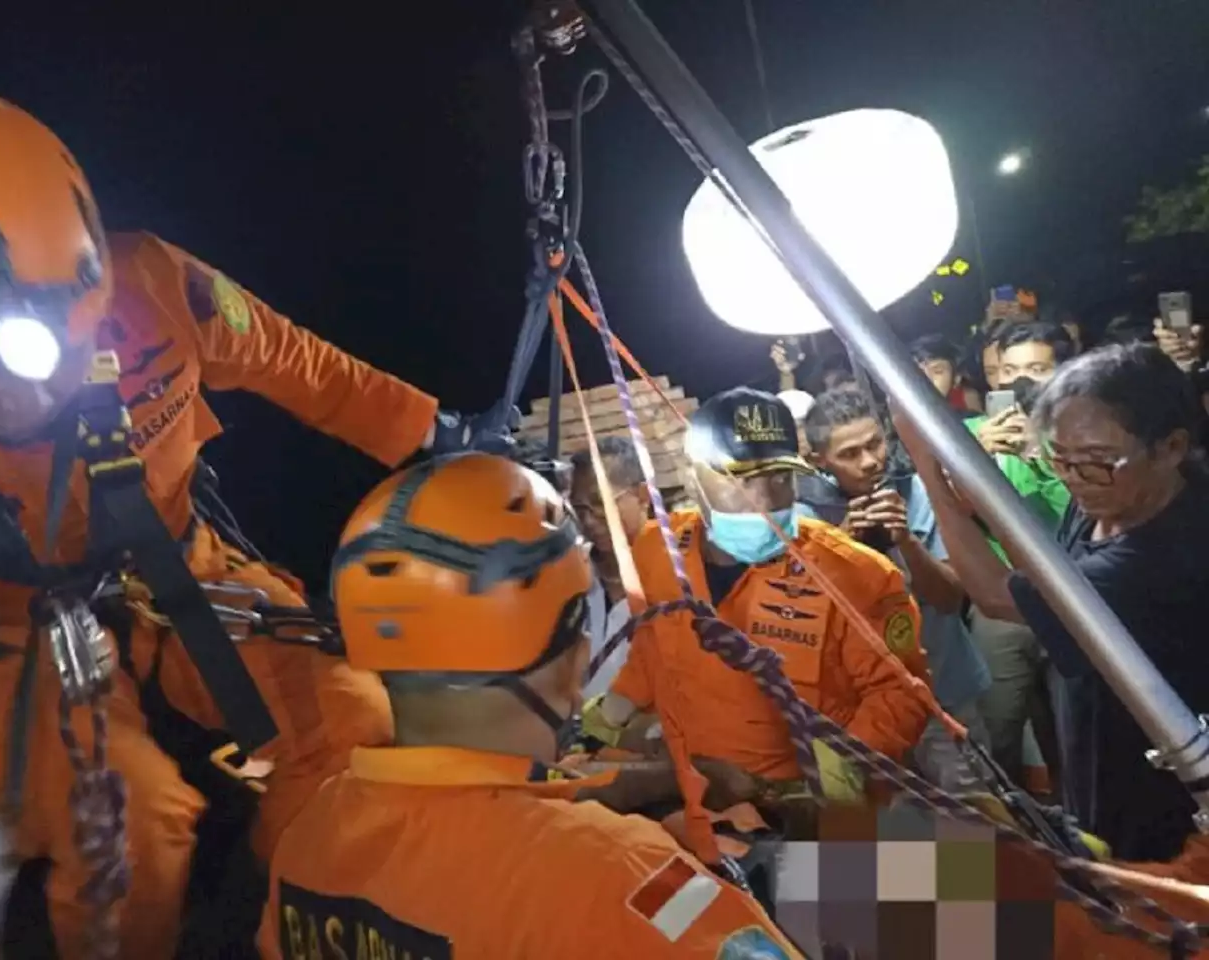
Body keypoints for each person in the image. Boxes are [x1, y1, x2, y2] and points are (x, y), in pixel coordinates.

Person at [0, 89, 511, 958]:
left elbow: (296, 360)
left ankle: (290, 924)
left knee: (347, 727)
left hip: (173, 562)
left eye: (52, 355)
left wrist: (438, 436)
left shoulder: (158, 289)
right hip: (7, 630)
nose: (35, 395)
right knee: (129, 825)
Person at [260, 453, 807, 959]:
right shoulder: (625, 874)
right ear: (575, 661)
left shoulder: (311, 834)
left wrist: (679, 777)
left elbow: (520, 792)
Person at [900, 342, 1209, 861]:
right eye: (1058, 458)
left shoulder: (1165, 551)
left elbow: (1001, 597)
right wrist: (977, 501)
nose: (1072, 478)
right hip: (1103, 751)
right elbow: (1047, 564)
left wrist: (928, 471)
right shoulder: (1114, 498)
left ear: (1172, 446)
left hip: (1163, 796)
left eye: (1094, 462)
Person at [582, 387, 930, 805]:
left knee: (960, 868)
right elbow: (654, 648)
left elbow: (902, 692)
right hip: (696, 799)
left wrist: (849, 761)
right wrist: (618, 706)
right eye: (740, 480)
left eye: (779, 478)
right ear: (694, 479)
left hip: (804, 809)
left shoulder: (857, 574)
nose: (764, 500)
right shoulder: (660, 552)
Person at [798, 389, 991, 791]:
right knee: (896, 827)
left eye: (875, 444)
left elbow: (950, 598)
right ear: (818, 461)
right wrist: (842, 544)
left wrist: (907, 540)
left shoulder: (918, 492)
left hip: (942, 690)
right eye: (849, 454)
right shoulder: (807, 516)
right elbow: (806, 619)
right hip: (864, 706)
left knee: (977, 816)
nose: (870, 461)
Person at [962, 320, 1076, 790]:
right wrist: (976, 460)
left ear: (1062, 372)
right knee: (997, 729)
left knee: (1072, 729)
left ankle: (1086, 831)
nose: (1019, 380)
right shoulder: (967, 434)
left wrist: (1041, 458)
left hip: (1073, 599)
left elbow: (1076, 514)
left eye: (1036, 367)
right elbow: (950, 514)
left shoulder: (1076, 432)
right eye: (1008, 370)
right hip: (1000, 604)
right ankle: (1011, 836)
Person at [568, 437, 649, 698]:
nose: (589, 521)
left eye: (600, 502)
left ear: (642, 496)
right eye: (579, 509)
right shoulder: (569, 577)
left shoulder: (677, 575)